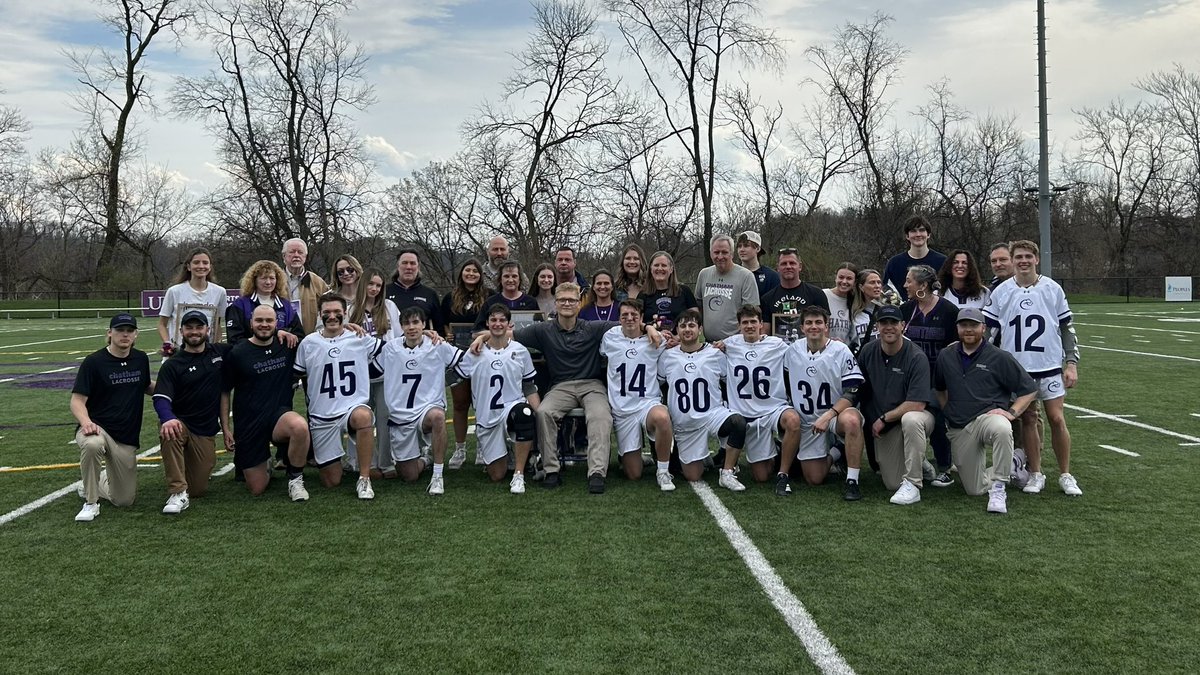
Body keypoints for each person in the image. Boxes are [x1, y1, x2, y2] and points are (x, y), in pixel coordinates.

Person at [503, 282, 655, 493]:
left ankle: (596, 473)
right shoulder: (543, 330)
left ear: (578, 304)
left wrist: (648, 327)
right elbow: (506, 335)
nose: (567, 303)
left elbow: (629, 324)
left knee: (601, 415)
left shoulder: (592, 327)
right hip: (561, 386)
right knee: (545, 412)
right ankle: (551, 470)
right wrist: (483, 336)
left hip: (591, 385)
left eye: (572, 300)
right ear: (555, 304)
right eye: (562, 300)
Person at [983, 239, 1082, 496]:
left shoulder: (1052, 289)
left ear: (1036, 259)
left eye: (1028, 256)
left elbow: (1066, 328)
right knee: (1027, 418)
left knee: (1057, 418)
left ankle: (1065, 474)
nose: (1023, 261)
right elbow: (990, 330)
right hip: (1017, 368)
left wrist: (1070, 362)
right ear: (1013, 260)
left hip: (1048, 365)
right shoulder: (1002, 291)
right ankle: (1036, 472)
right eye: (1019, 257)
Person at [934, 308, 1039, 514]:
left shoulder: (999, 357)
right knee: (974, 489)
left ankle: (999, 488)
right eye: (964, 325)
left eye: (974, 325)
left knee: (1001, 427)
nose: (969, 330)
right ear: (957, 328)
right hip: (960, 426)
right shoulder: (946, 355)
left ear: (983, 328)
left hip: (988, 417)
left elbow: (1029, 390)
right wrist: (949, 410)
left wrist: (1012, 413)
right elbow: (939, 388)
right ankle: (1011, 464)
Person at [293, 293, 384, 500]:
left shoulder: (359, 338)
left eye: (337, 312)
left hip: (351, 409)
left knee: (363, 416)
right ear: (320, 315)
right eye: (327, 313)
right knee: (331, 481)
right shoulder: (308, 343)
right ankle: (340, 461)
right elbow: (297, 374)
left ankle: (364, 478)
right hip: (322, 415)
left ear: (345, 314)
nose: (332, 316)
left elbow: (393, 351)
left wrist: (426, 333)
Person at [221, 304, 312, 501]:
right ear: (251, 323)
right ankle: (265, 462)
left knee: (299, 426)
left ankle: (295, 479)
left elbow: (318, 340)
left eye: (269, 321)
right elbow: (225, 391)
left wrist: (348, 327)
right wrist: (226, 428)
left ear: (277, 324)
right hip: (249, 423)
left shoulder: (287, 345)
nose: (264, 325)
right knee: (257, 488)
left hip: (278, 417)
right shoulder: (238, 352)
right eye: (259, 321)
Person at [70, 313, 154, 522]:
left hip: (125, 436)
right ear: (110, 333)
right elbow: (77, 401)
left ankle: (95, 483)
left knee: (124, 500)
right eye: (119, 330)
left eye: (129, 331)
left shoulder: (140, 359)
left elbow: (146, 386)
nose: (124, 335)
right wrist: (86, 423)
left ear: (136, 335)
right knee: (92, 445)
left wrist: (176, 385)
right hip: (97, 428)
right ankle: (90, 503)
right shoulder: (94, 362)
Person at [848, 305, 934, 505]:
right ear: (877, 326)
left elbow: (918, 403)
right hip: (884, 426)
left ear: (903, 326)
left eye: (894, 323)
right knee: (892, 483)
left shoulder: (916, 356)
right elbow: (858, 388)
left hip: (915, 418)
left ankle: (913, 483)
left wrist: (884, 418)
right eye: (884, 322)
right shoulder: (868, 350)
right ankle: (918, 460)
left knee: (911, 420)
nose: (889, 327)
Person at [780, 306, 867, 501]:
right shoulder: (792, 351)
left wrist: (829, 416)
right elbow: (786, 382)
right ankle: (837, 452)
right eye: (809, 323)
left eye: (818, 322)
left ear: (826, 326)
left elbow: (853, 391)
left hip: (835, 415)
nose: (814, 327)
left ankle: (852, 481)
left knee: (852, 420)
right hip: (808, 420)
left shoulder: (840, 350)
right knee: (814, 478)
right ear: (802, 327)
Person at [657, 309, 748, 490]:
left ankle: (727, 472)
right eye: (682, 326)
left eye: (692, 325)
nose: (687, 329)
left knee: (738, 422)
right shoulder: (667, 356)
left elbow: (728, 381)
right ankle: (701, 457)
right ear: (677, 330)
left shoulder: (714, 353)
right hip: (686, 424)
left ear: (700, 329)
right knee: (693, 475)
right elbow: (658, 384)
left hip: (712, 414)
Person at [455, 304, 539, 493]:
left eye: (502, 320)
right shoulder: (475, 352)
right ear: (487, 323)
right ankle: (508, 454)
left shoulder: (520, 351)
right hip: (487, 416)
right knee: (497, 475)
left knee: (525, 412)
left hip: (511, 408)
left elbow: (528, 385)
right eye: (493, 320)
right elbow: (457, 377)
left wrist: (539, 412)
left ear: (510, 324)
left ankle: (519, 475)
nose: (498, 324)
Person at [380, 307, 463, 495]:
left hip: (426, 409)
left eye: (416, 322)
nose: (411, 327)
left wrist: (445, 381)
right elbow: (373, 368)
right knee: (409, 476)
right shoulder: (390, 348)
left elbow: (464, 362)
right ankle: (427, 458)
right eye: (407, 323)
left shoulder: (437, 345)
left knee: (438, 416)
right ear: (400, 326)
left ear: (424, 324)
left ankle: (437, 476)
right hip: (400, 416)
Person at [717, 305, 802, 487]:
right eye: (745, 322)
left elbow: (801, 350)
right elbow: (707, 349)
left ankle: (783, 473)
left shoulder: (777, 344)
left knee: (793, 420)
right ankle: (778, 449)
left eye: (753, 321)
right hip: (746, 414)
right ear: (739, 325)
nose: (749, 326)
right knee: (761, 476)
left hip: (773, 409)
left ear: (760, 324)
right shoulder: (730, 343)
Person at [152, 310, 225, 515]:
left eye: (199, 327)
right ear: (181, 330)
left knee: (198, 489)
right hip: (181, 424)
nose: (194, 332)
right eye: (189, 327)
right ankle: (177, 492)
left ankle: (186, 478)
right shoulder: (173, 363)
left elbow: (249, 347)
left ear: (207, 330)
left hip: (205, 430)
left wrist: (282, 334)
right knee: (170, 429)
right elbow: (161, 397)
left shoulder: (219, 353)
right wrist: (167, 418)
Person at [599, 298, 675, 490]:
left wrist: (652, 329)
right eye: (625, 315)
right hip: (622, 410)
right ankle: (636, 454)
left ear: (642, 318)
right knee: (634, 474)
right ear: (619, 318)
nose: (629, 318)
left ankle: (663, 471)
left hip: (646, 403)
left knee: (662, 417)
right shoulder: (610, 337)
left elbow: (675, 346)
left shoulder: (656, 339)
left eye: (634, 315)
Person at [901, 264, 960, 488]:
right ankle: (919, 463)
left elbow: (957, 346)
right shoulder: (906, 310)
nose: (905, 285)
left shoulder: (948, 310)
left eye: (909, 280)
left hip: (940, 378)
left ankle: (946, 466)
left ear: (922, 285)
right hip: (912, 378)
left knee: (940, 420)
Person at [347, 268, 402, 480]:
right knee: (359, 418)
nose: (374, 289)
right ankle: (361, 462)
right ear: (363, 285)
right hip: (358, 374)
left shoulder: (389, 307)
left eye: (378, 285)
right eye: (370, 284)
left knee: (385, 417)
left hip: (385, 373)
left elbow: (398, 339)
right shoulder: (350, 308)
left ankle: (386, 462)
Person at [441, 258, 491, 469]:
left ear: (481, 275)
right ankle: (460, 448)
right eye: (467, 270)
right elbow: (443, 322)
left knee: (482, 403)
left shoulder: (489, 296)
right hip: (458, 355)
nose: (471, 273)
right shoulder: (450, 297)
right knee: (460, 403)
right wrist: (447, 335)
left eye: (475, 271)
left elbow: (494, 322)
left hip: (483, 354)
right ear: (461, 273)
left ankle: (482, 446)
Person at [158, 247, 227, 356]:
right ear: (189, 267)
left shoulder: (220, 292)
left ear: (210, 267)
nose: (201, 266)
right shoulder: (174, 291)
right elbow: (162, 324)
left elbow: (217, 325)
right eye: (196, 262)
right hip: (178, 354)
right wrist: (168, 344)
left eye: (205, 263)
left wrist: (216, 346)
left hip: (206, 355)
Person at [225, 260, 303, 347]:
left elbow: (299, 336)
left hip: (280, 357)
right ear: (254, 280)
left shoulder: (286, 306)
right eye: (263, 278)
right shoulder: (240, 305)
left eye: (272, 278)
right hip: (250, 356)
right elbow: (234, 339)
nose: (268, 282)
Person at [696, 234, 759, 341]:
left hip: (736, 344)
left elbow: (751, 313)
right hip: (709, 343)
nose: (720, 257)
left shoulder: (746, 276)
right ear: (711, 253)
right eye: (716, 252)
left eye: (724, 252)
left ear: (732, 254)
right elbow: (698, 306)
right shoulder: (704, 274)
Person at [759, 248, 830, 333]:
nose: (788, 267)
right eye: (784, 264)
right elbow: (765, 333)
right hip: (778, 345)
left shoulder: (817, 294)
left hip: (809, 345)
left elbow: (825, 330)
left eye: (792, 263)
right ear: (777, 268)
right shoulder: (767, 299)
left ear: (800, 266)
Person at [883, 215, 947, 301]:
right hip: (903, 312)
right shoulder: (894, 263)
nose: (918, 234)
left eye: (922, 230)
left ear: (928, 234)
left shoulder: (943, 261)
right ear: (907, 236)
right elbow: (886, 291)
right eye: (913, 231)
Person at [385, 248, 443, 333]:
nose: (408, 267)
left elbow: (439, 328)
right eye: (404, 263)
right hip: (389, 344)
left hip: (421, 344)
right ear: (398, 266)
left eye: (412, 263)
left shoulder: (430, 294)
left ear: (418, 267)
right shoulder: (384, 292)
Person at [281, 237, 329, 335]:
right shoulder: (274, 280)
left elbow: (327, 310)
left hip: (310, 338)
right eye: (292, 252)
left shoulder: (317, 282)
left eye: (300, 252)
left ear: (305, 257)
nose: (296, 255)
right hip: (281, 339)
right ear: (284, 256)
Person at [642, 251, 698, 332]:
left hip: (680, 342)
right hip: (651, 342)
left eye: (664, 265)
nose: (660, 268)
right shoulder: (643, 294)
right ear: (651, 269)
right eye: (656, 265)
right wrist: (648, 328)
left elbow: (696, 320)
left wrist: (678, 338)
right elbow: (638, 322)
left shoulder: (684, 291)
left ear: (671, 269)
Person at [476, 260, 540, 330]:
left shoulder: (531, 302)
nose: (510, 280)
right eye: (506, 276)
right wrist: (499, 333)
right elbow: (476, 332)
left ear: (520, 279)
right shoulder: (491, 302)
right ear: (500, 279)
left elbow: (539, 329)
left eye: (514, 276)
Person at [736, 230, 781, 298]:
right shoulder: (732, 274)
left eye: (746, 246)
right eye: (739, 246)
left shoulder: (772, 277)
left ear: (758, 248)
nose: (742, 249)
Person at [823, 262, 859, 345]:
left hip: (844, 353)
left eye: (849, 278)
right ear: (835, 277)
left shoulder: (856, 302)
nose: (844, 281)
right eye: (841, 277)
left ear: (855, 282)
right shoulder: (823, 295)